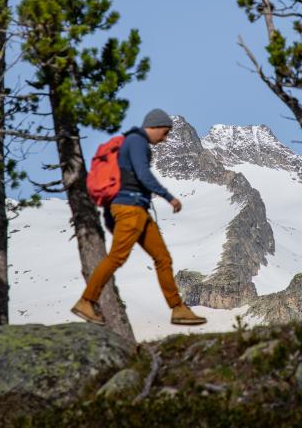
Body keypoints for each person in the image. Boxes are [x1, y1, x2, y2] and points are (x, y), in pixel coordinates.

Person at [71, 109, 207, 327]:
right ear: (155, 126)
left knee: (163, 258)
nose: (165, 138)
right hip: (129, 209)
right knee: (117, 257)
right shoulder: (136, 142)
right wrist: (168, 197)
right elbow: (143, 174)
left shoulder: (135, 142)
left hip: (138, 210)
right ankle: (86, 301)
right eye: (165, 133)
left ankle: (178, 309)